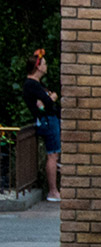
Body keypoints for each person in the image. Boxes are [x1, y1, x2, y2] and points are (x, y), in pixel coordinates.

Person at [20, 48, 60, 202]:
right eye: (44, 63)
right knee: (53, 154)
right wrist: (50, 98)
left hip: (49, 119)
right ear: (38, 67)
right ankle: (53, 191)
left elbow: (46, 100)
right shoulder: (31, 84)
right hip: (47, 121)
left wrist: (48, 99)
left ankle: (54, 189)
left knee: (55, 154)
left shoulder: (38, 84)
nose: (46, 65)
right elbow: (47, 103)